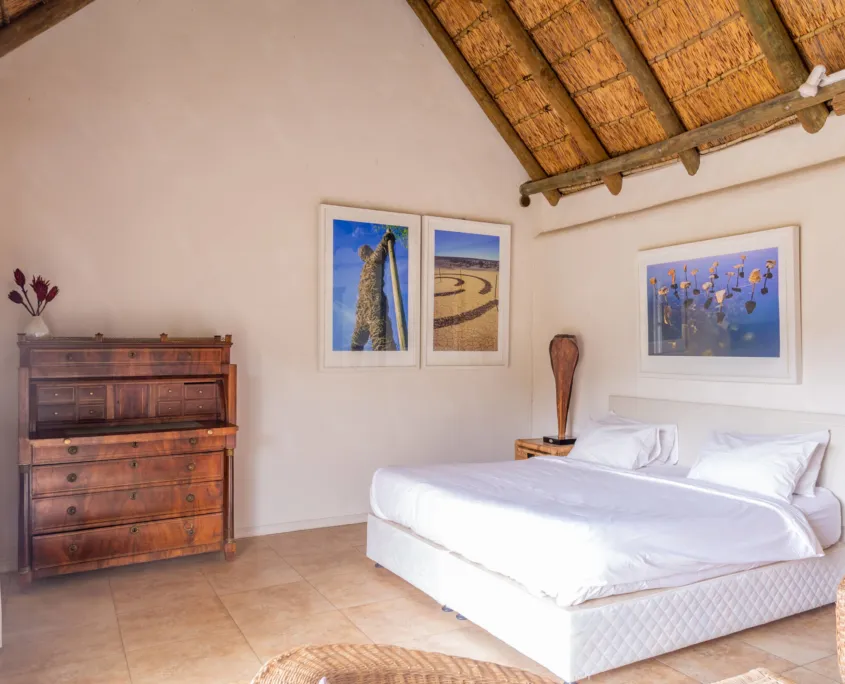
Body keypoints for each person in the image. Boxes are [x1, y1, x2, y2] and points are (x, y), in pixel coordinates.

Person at [350, 231, 396, 351]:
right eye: (362, 253)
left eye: (364, 251)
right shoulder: (364, 270)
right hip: (362, 311)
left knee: (381, 342)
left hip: (374, 307)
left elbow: (379, 253)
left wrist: (384, 242)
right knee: (356, 343)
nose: (363, 254)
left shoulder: (373, 262)